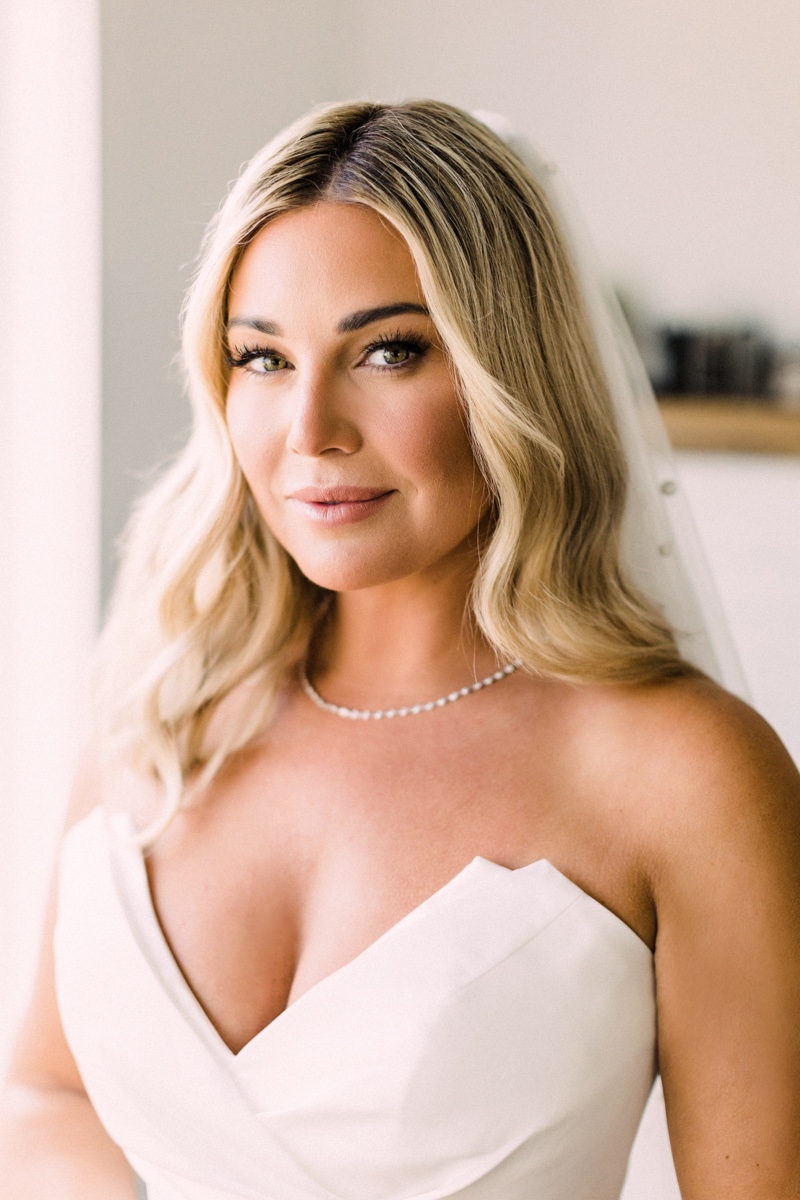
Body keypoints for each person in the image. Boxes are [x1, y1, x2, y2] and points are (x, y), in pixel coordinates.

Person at [1, 99, 799, 1200]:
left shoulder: (684, 774)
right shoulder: (158, 701)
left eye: (387, 351)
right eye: (262, 359)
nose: (310, 430)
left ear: (506, 373)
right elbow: (51, 1096)